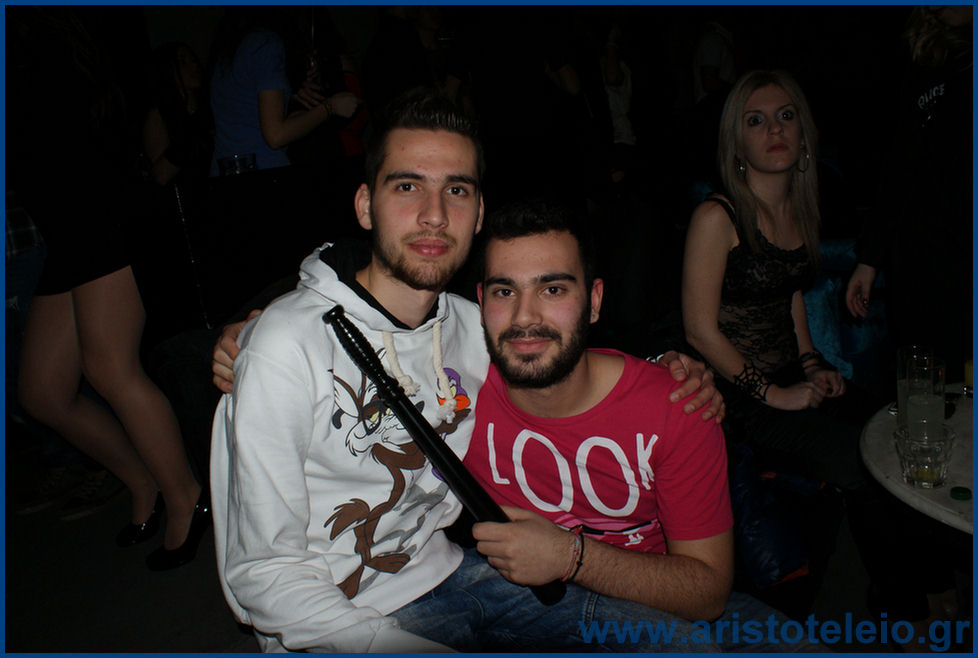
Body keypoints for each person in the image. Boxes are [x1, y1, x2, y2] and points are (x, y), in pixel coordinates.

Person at [210, 90, 725, 653]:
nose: (434, 214)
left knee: (686, 646)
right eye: (407, 186)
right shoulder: (284, 347)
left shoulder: (475, 324)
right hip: (334, 617)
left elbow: (558, 346)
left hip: (458, 574)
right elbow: (264, 572)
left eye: (456, 190)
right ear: (365, 206)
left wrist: (668, 365)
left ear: (478, 214)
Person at [392, 199, 821, 652]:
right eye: (505, 292)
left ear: (594, 302)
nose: (525, 317)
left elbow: (707, 594)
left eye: (552, 290)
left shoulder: (678, 404)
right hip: (523, 611)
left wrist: (568, 556)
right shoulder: (457, 396)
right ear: (481, 303)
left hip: (662, 598)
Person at [681, 69, 939, 624]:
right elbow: (699, 331)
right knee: (862, 463)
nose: (774, 129)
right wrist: (773, 393)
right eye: (756, 120)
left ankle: (929, 578)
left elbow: (791, 294)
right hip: (735, 399)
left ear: (803, 135)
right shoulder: (717, 216)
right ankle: (906, 612)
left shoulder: (799, 207)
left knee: (897, 426)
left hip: (787, 379)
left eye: (786, 116)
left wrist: (811, 362)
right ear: (737, 142)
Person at [7, 6, 206, 570]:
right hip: (64, 232)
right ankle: (143, 480)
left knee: (110, 368)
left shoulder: (46, 44)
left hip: (96, 218)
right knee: (43, 391)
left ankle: (186, 497)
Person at [845, 5, 972, 381]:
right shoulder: (926, 59)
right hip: (925, 257)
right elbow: (900, 166)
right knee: (929, 381)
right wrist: (869, 260)